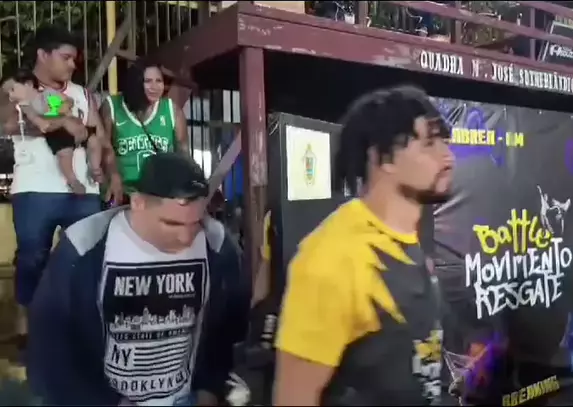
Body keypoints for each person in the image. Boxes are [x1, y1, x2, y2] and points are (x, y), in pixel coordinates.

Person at [273, 85, 455, 406]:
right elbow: (294, 398)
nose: (447, 157)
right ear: (381, 157)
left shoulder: (410, 239)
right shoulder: (330, 259)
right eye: (429, 144)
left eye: (444, 142)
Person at [27, 152, 251, 405]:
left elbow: (229, 329)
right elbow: (51, 347)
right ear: (138, 202)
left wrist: (209, 388)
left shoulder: (217, 245)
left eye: (195, 223)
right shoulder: (84, 246)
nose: (186, 237)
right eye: (172, 224)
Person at [0, 25, 122, 338]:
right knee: (32, 257)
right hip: (34, 188)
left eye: (74, 59)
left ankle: (77, 326)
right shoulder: (17, 86)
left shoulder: (82, 94)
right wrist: (65, 124)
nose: (72, 64)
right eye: (65, 57)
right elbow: (8, 124)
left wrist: (113, 174)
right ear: (43, 55)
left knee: (87, 257)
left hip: (84, 191)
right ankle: (28, 324)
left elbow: (99, 137)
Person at [101, 59, 189, 202]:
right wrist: (113, 175)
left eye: (159, 81)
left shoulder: (172, 110)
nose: (154, 87)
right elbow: (104, 147)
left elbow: (183, 153)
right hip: (123, 195)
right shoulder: (112, 106)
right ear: (135, 82)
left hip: (160, 196)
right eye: (148, 81)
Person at [2, 70, 103, 193]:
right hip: (57, 131)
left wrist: (63, 107)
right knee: (64, 152)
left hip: (73, 124)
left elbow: (67, 101)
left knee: (94, 140)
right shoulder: (25, 106)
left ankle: (95, 168)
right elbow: (38, 121)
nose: (11, 96)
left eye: (12, 90)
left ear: (28, 84)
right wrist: (54, 121)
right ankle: (72, 180)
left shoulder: (47, 93)